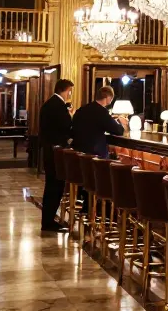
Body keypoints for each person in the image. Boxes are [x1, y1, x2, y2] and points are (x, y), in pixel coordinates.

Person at [39, 79, 75, 233]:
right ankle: (48, 222)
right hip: (55, 152)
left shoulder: (48, 104)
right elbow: (66, 127)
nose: (70, 95)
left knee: (52, 186)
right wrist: (70, 115)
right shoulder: (58, 106)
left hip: (49, 150)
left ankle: (48, 220)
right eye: (70, 91)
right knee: (55, 186)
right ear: (65, 90)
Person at [72, 85, 124, 158]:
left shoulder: (82, 109)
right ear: (109, 98)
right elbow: (118, 130)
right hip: (94, 155)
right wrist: (120, 122)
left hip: (77, 151)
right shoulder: (102, 112)